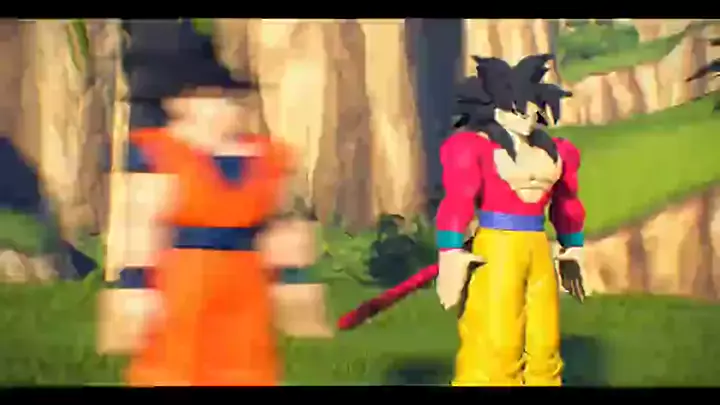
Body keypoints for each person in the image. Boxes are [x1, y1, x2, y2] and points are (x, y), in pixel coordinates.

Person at [104, 23, 330, 386]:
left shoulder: (266, 158)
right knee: (179, 366)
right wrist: (134, 285)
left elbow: (282, 224)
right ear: (179, 104)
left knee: (246, 367)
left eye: (230, 99)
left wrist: (294, 280)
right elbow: (141, 226)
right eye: (210, 99)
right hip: (184, 285)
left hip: (247, 286)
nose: (225, 108)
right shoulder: (161, 154)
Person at [434, 54, 587, 386]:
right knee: (497, 341)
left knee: (545, 341)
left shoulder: (556, 152)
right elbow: (458, 200)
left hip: (538, 248)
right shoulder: (475, 147)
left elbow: (566, 203)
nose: (527, 116)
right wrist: (450, 252)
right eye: (517, 108)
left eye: (531, 107)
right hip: (496, 247)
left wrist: (573, 246)